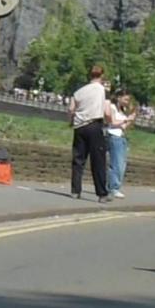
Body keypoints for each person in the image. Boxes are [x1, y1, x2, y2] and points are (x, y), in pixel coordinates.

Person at [69, 66, 114, 206]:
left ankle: (76, 190)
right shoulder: (102, 89)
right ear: (102, 76)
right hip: (94, 125)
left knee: (78, 159)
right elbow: (107, 111)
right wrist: (109, 121)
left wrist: (71, 122)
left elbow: (71, 109)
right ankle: (102, 193)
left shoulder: (79, 92)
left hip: (79, 127)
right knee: (98, 160)